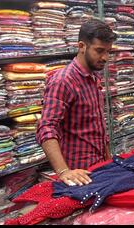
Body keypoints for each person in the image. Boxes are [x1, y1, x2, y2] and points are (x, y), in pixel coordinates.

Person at [36, 19, 117, 187]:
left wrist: (109, 162)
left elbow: (98, 128)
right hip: (79, 175)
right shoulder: (63, 81)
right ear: (81, 46)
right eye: (99, 50)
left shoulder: (94, 77)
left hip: (99, 169)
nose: (105, 58)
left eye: (108, 51)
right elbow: (46, 127)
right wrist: (64, 171)